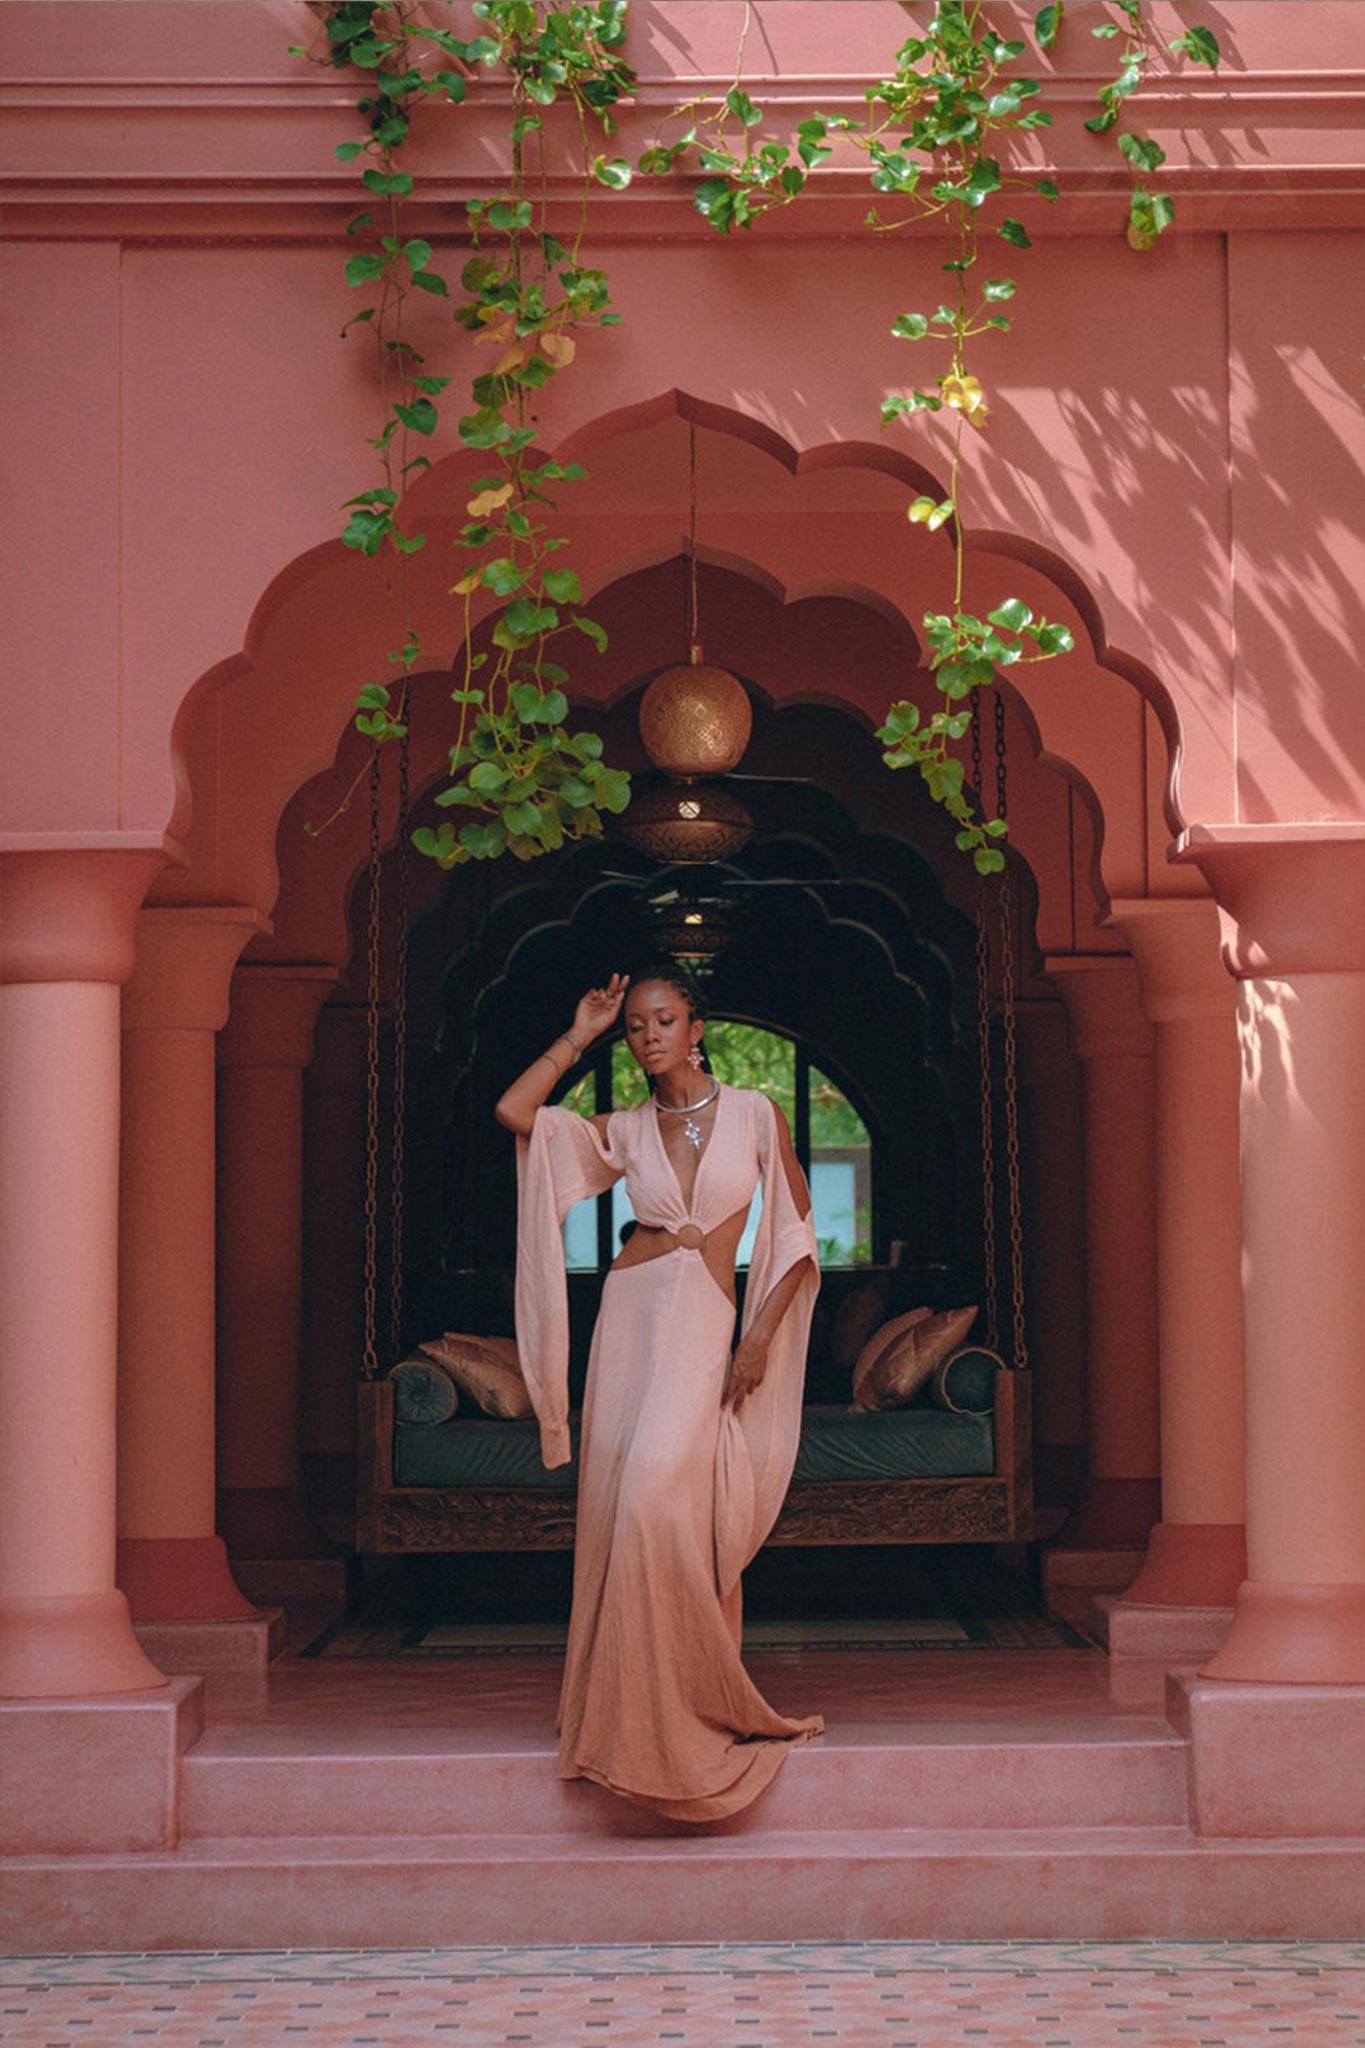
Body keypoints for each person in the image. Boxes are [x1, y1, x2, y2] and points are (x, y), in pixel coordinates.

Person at [495, 961, 826, 1821]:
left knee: (656, 1500)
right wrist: (580, 1031)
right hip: (629, 1321)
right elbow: (515, 1114)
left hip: (705, 1323)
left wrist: (755, 1341)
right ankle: (620, 1723)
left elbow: (794, 1238)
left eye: (663, 1019)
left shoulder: (755, 1114)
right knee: (619, 1508)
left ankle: (688, 1705)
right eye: (636, 1024)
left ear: (696, 1026)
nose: (648, 1036)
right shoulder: (623, 1129)